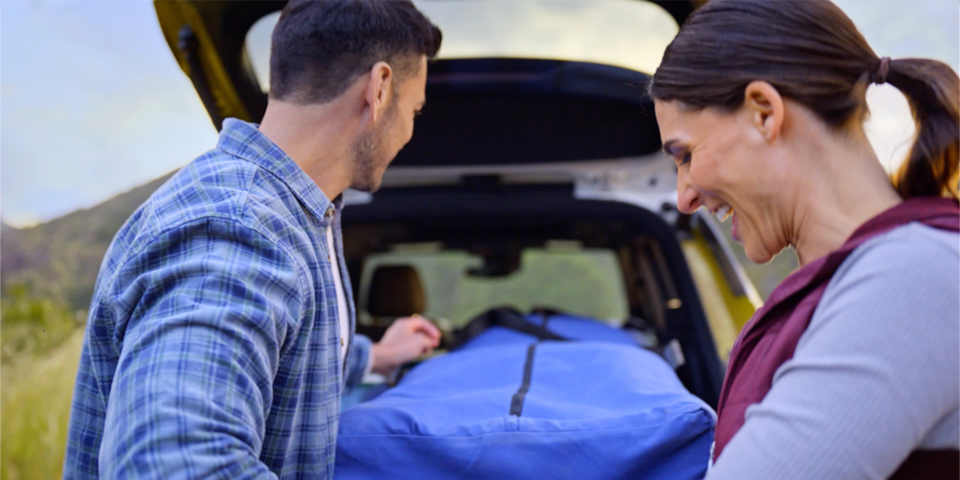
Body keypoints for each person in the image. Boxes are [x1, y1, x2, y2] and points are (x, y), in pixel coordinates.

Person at [62, 1, 442, 478]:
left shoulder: (297, 215)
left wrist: (378, 355)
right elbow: (174, 467)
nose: (409, 132)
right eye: (415, 109)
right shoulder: (238, 229)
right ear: (380, 88)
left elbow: (289, 356)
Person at [648, 0, 959, 478]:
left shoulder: (913, 276)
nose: (685, 196)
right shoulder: (869, 278)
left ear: (764, 113)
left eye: (686, 153)